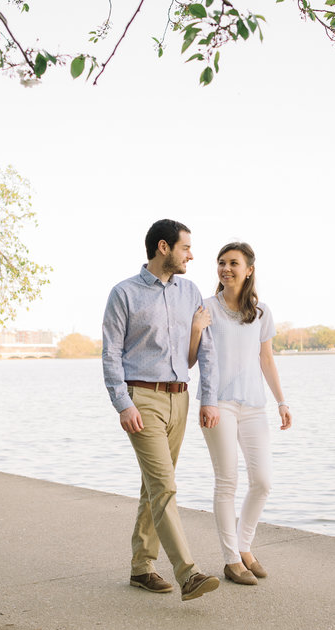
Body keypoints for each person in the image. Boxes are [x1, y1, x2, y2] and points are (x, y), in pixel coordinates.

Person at [101, 219, 222, 602]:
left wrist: (209, 397)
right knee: (165, 486)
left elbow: (204, 351)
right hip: (143, 400)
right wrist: (123, 403)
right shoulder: (124, 294)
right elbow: (111, 354)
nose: (192, 255)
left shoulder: (191, 292)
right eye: (187, 247)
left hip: (180, 398)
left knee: (154, 485)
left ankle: (141, 568)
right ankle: (188, 574)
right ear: (164, 247)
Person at [189, 241, 292, 586]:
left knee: (263, 481)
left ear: (249, 270)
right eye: (221, 263)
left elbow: (266, 359)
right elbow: (191, 360)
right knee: (227, 480)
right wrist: (195, 329)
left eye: (233, 263)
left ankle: (245, 546)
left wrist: (281, 401)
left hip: (253, 406)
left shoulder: (261, 312)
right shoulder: (205, 308)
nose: (225, 268)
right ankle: (231, 560)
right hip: (218, 404)